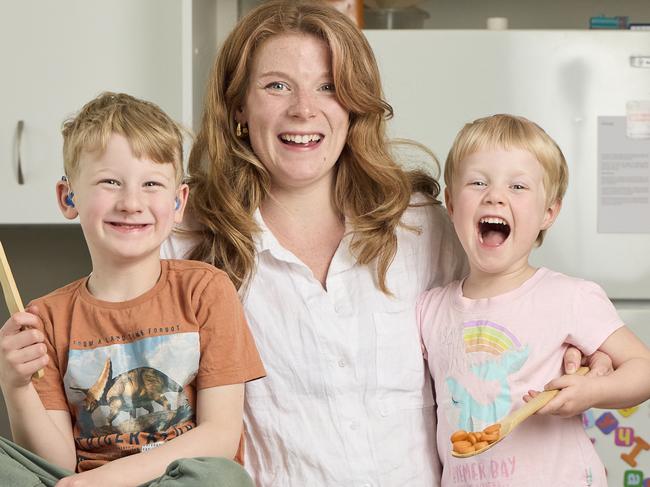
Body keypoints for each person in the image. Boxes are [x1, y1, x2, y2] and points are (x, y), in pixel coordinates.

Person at [162, 1, 612, 484]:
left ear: (355, 106)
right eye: (277, 86)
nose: (304, 109)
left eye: (329, 87)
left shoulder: (422, 225)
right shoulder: (182, 241)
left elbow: (508, 316)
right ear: (238, 108)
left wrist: (581, 352)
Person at [0, 92, 265, 487]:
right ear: (68, 196)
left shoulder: (205, 290)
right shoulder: (44, 319)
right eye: (110, 181)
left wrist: (104, 481)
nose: (131, 202)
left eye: (152, 184)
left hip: (175, 479)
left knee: (221, 476)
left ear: (178, 202)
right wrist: (15, 385)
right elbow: (55, 465)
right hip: (81, 482)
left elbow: (220, 437)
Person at [417, 114, 650, 486]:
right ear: (451, 204)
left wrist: (592, 392)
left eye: (518, 187)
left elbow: (643, 367)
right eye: (478, 182)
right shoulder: (428, 309)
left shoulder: (569, 297)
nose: (495, 195)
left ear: (548, 213)